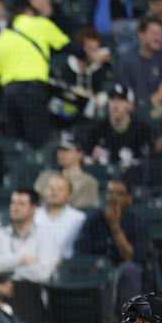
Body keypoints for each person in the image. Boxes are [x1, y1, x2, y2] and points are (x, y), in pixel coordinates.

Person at [0, 2, 69, 147]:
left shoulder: (2, 37)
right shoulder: (40, 23)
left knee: (16, 141)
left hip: (9, 92)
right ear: (27, 11)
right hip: (32, 89)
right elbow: (66, 45)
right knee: (38, 138)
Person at [74, 180, 147, 310]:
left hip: (123, 270)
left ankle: (128, 319)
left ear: (129, 199)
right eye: (110, 193)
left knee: (129, 269)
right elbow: (81, 252)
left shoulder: (137, 222)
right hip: (96, 269)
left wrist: (115, 227)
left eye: (119, 194)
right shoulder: (92, 220)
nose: (113, 197)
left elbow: (132, 257)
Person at [0, 188, 59, 284]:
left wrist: (4, 267)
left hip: (32, 289)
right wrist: (21, 260)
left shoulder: (46, 237)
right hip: (1, 289)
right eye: (13, 203)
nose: (15, 208)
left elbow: (43, 274)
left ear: (33, 208)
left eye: (21, 204)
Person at [86, 84, 150, 171]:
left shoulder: (141, 130)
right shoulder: (98, 129)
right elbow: (86, 163)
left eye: (120, 100)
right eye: (112, 100)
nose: (115, 105)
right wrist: (93, 159)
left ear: (130, 105)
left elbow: (147, 164)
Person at [118, 17, 162, 106]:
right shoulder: (128, 60)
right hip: (132, 107)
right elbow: (124, 90)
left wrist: (143, 107)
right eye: (154, 34)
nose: (158, 38)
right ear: (141, 34)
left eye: (161, 34)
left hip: (158, 108)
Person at [34, 133, 99, 209]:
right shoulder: (45, 175)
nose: (61, 153)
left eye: (66, 150)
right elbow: (34, 202)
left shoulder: (89, 182)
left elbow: (83, 210)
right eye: (59, 150)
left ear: (80, 154)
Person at [34, 174, 86, 261]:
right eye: (50, 188)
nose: (54, 192)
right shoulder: (33, 215)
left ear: (69, 195)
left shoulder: (79, 218)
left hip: (67, 265)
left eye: (60, 189)